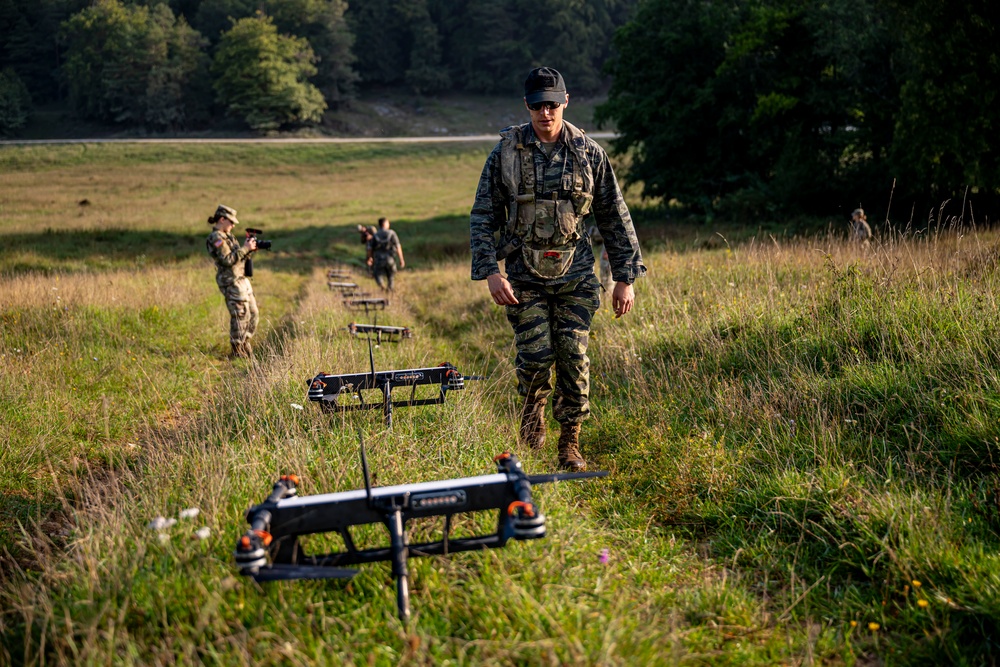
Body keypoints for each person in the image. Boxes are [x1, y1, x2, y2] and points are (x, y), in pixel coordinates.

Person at [470, 66, 645, 471]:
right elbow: (483, 216)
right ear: (527, 105)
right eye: (537, 105)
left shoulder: (589, 153)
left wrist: (625, 278)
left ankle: (570, 443)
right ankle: (532, 425)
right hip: (524, 275)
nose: (545, 113)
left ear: (565, 102)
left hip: (577, 273)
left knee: (572, 356)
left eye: (552, 105)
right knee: (535, 357)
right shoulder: (506, 154)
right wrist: (490, 271)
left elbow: (614, 216)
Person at [206, 204, 258, 358]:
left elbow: (238, 256)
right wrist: (245, 248)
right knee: (240, 315)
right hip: (231, 281)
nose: (233, 225)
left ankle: (244, 342)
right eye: (231, 222)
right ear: (222, 219)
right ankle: (237, 350)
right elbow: (227, 260)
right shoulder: (216, 238)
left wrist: (249, 250)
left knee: (253, 313)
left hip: (241, 279)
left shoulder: (229, 236)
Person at [367, 217, 405, 290]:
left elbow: (370, 248)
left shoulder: (375, 235)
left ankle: (382, 286)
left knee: (377, 274)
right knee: (391, 275)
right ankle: (390, 289)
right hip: (390, 258)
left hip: (379, 259)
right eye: (388, 223)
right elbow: (398, 247)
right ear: (384, 224)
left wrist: (370, 258)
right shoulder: (392, 233)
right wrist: (401, 259)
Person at [588, 223, 614, 303]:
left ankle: (608, 299)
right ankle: (606, 298)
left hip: (609, 247)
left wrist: (607, 250)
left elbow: (612, 230)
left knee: (607, 278)